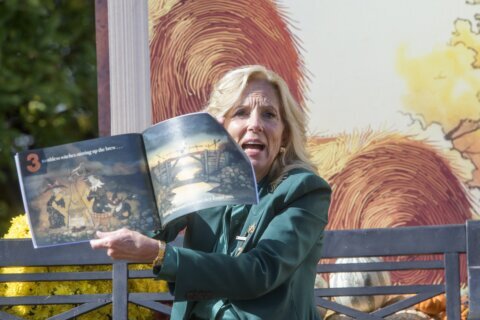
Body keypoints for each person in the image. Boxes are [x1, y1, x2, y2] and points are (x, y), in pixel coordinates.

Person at [90, 65, 331, 320]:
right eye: (241, 113)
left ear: (284, 135)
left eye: (269, 114)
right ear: (221, 128)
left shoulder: (304, 190)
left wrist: (159, 254)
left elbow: (259, 273)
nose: (255, 125)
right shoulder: (203, 181)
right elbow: (152, 229)